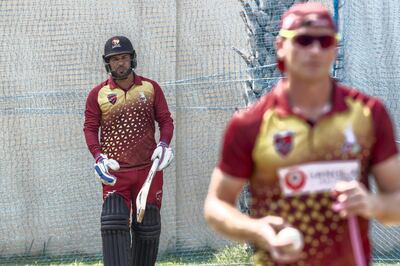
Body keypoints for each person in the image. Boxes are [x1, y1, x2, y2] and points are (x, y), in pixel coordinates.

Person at [204, 2, 400, 266]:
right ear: (281, 47)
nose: (315, 50)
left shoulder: (369, 115)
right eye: (304, 40)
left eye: (325, 41)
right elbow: (216, 206)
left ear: (334, 49)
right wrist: (258, 229)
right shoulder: (250, 124)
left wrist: (370, 203)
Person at [83, 35, 174, 266]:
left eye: (123, 58)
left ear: (132, 59)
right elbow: (90, 128)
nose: (120, 63)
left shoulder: (150, 88)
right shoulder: (98, 94)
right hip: (115, 172)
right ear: (108, 63)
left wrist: (163, 145)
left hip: (148, 171)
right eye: (114, 60)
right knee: (113, 224)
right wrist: (99, 157)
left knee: (148, 226)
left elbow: (165, 121)